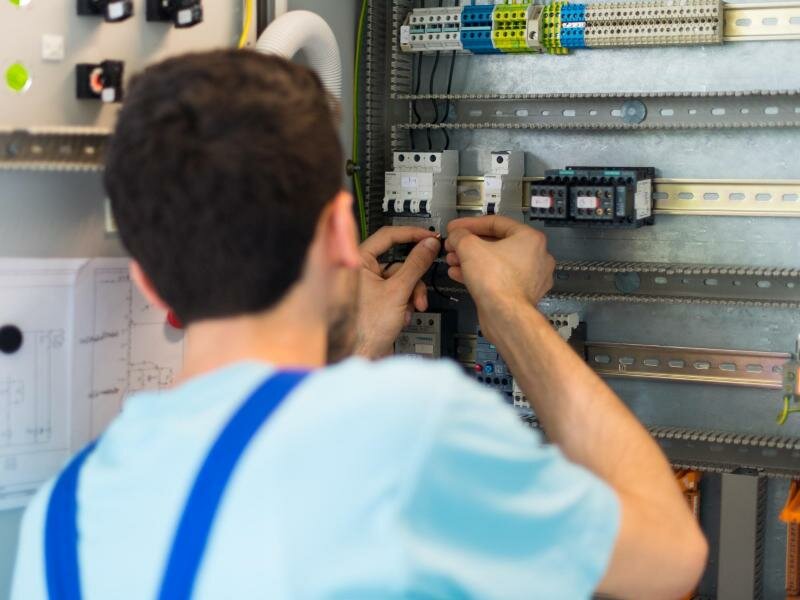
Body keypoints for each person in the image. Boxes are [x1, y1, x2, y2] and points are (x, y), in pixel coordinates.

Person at [11, 50, 706, 600]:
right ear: (344, 232)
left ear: (151, 285)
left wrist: (360, 350)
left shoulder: (62, 519)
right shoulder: (407, 430)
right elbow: (670, 559)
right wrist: (511, 312)